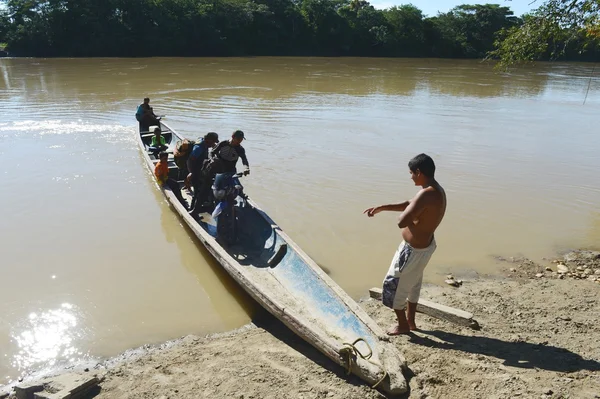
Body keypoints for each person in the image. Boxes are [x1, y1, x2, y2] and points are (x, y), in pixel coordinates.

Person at [363, 153, 446, 336]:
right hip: (425, 246)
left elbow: (402, 221)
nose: (410, 177)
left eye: (411, 173)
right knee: (414, 283)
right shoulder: (435, 190)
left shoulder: (426, 194)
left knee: (392, 284)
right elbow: (411, 204)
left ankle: (402, 325)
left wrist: (409, 217)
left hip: (412, 251)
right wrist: (383, 208)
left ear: (419, 172)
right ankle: (411, 321)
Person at [187, 132, 219, 217]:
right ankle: (192, 211)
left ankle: (201, 205)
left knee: (201, 190)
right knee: (197, 192)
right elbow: (191, 160)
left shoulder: (203, 142)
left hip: (200, 170)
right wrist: (192, 173)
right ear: (208, 140)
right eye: (213, 142)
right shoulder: (199, 148)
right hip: (195, 171)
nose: (213, 144)